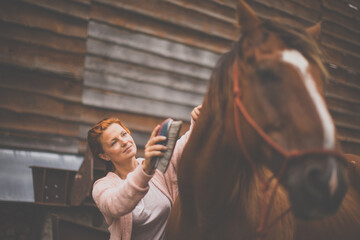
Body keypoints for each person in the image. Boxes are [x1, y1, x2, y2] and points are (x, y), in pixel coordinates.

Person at [88, 105, 201, 240]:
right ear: (104, 155)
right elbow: (116, 204)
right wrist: (145, 169)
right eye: (114, 142)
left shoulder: (156, 166)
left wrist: (197, 122)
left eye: (124, 134)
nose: (124, 142)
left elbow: (184, 147)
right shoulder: (102, 187)